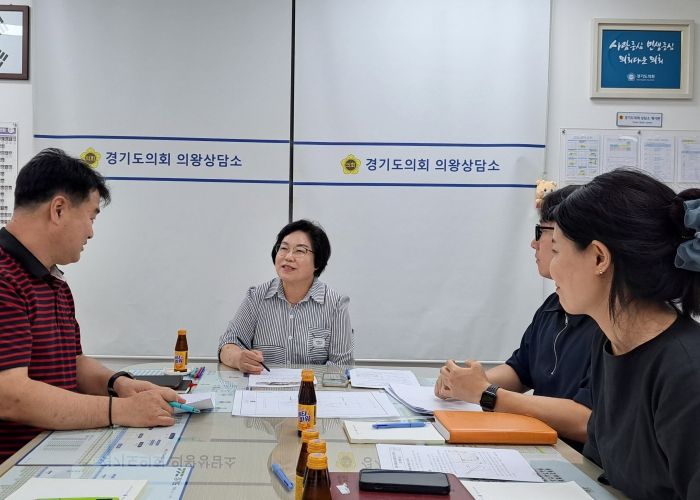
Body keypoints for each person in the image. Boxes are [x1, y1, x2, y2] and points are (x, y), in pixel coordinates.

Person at [0, 149, 182, 463]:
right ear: (58, 210)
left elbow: (73, 362)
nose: (91, 232)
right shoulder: (5, 277)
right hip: (12, 468)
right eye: (91, 217)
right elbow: (10, 395)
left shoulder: (54, 281)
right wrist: (120, 410)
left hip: (52, 455)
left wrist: (119, 385)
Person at [550, 169, 700, 499]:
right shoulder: (610, 343)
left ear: (599, 258)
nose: (550, 268)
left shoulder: (687, 372)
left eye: (556, 250)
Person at [435, 186, 601, 449]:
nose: (534, 244)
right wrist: (464, 383)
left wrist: (487, 393)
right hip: (546, 446)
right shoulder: (554, 304)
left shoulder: (609, 323)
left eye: (542, 234)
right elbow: (521, 370)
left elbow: (587, 421)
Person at [218, 219, 353, 373]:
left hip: (311, 388)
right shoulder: (256, 297)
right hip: (263, 387)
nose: (288, 257)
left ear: (317, 262)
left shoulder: (335, 304)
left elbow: (342, 366)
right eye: (283, 248)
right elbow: (228, 344)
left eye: (299, 251)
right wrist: (238, 358)